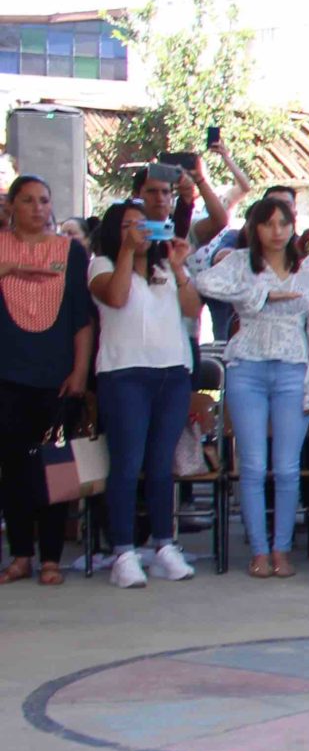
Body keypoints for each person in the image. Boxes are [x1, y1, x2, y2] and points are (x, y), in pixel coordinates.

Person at [193, 196, 309, 578]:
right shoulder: (238, 262)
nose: (277, 231)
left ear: (292, 227)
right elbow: (203, 280)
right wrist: (260, 295)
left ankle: (282, 548)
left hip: (292, 369)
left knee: (286, 467)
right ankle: (258, 549)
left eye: (283, 223)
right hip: (246, 366)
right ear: (254, 228)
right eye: (268, 223)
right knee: (252, 465)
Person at [89, 184, 203, 589]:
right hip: (124, 374)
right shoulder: (101, 263)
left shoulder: (163, 268)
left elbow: (193, 310)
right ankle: (123, 550)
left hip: (172, 372)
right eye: (128, 226)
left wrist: (178, 266)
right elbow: (116, 298)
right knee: (126, 463)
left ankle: (164, 545)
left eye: (143, 226)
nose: (138, 233)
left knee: (160, 465)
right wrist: (125, 251)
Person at [0, 176, 94, 585]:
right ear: (12, 205)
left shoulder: (69, 251)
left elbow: (81, 316)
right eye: (28, 201)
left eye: (44, 200)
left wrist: (79, 370)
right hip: (8, 376)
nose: (37, 208)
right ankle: (21, 555)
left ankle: (52, 557)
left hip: (57, 378)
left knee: (56, 469)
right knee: (15, 470)